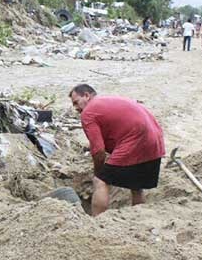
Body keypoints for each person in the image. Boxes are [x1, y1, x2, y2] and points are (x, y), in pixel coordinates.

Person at [69, 84, 166, 216]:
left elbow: (98, 151)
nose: (75, 108)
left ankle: (96, 222)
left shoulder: (88, 112)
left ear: (87, 95)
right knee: (136, 185)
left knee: (100, 181)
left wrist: (98, 172)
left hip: (136, 139)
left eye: (76, 102)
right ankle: (139, 218)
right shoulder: (112, 101)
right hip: (156, 141)